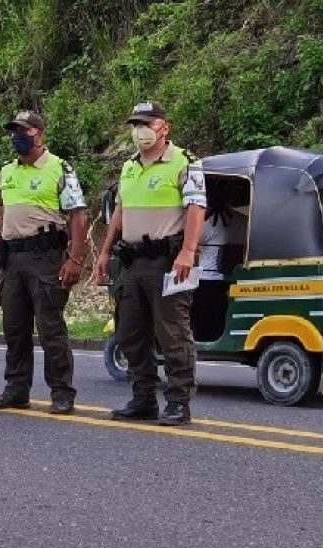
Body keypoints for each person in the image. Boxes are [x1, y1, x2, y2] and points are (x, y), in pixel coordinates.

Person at [93, 101, 207, 426]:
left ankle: (178, 401)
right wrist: (104, 252)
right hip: (131, 261)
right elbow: (120, 211)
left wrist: (188, 251)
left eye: (147, 123)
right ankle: (143, 398)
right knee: (130, 333)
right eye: (135, 124)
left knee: (172, 332)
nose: (140, 131)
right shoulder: (129, 167)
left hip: (170, 261)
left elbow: (198, 209)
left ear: (164, 127)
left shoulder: (185, 162)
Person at [0, 110, 89, 414]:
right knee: (14, 328)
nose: (18, 136)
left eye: (24, 131)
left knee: (50, 328)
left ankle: (61, 391)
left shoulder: (59, 169)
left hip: (45, 257)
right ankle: (16, 389)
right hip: (12, 259)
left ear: (40, 135)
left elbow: (79, 215)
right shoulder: (8, 171)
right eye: (14, 131)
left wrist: (74, 259)